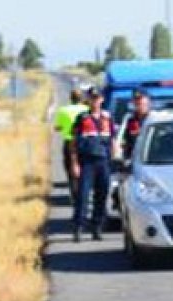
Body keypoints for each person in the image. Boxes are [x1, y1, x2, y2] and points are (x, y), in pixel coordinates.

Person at [69, 87, 114, 242]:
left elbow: (113, 142)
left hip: (103, 162)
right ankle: (78, 228)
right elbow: (73, 143)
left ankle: (97, 227)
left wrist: (114, 161)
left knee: (101, 196)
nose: (95, 101)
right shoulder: (82, 118)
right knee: (82, 196)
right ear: (88, 100)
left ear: (102, 100)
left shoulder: (107, 118)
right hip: (86, 162)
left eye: (97, 98)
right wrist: (74, 164)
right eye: (92, 98)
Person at [53, 88, 88, 202]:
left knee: (70, 171)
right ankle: (84, 193)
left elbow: (58, 127)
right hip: (84, 142)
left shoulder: (63, 110)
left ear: (70, 98)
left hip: (69, 142)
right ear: (81, 98)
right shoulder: (86, 109)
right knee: (84, 169)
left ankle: (74, 195)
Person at [115, 89, 152, 164]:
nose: (138, 102)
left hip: (151, 160)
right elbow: (121, 140)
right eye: (136, 99)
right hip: (133, 161)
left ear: (148, 100)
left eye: (141, 99)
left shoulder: (154, 118)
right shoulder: (129, 119)